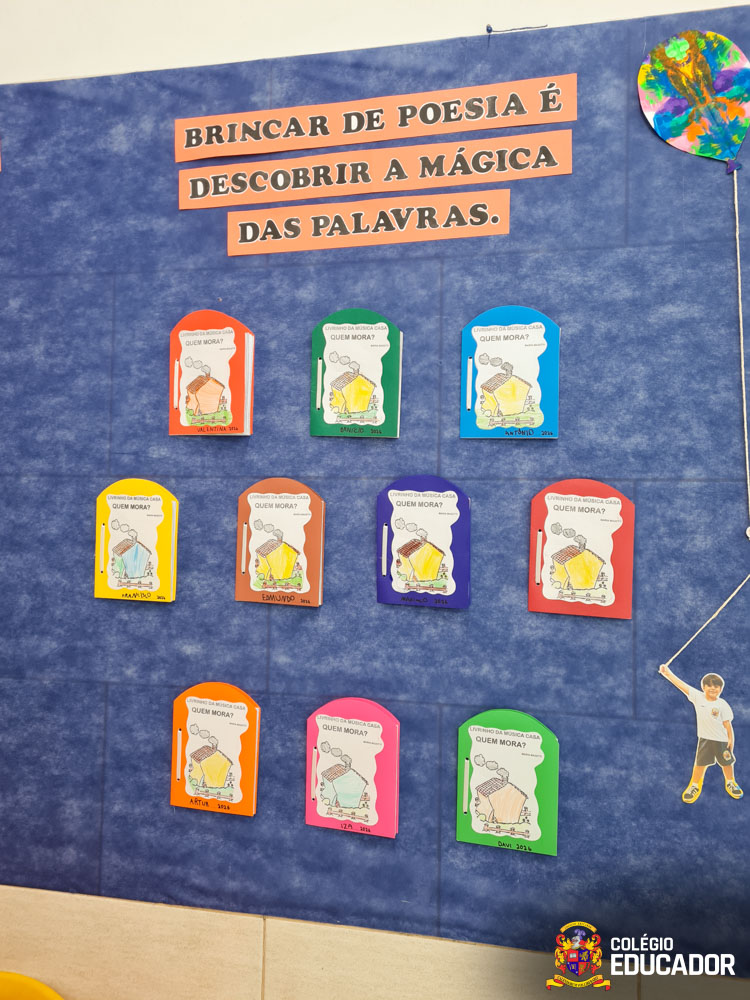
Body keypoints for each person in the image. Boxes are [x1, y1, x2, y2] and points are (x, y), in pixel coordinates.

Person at [659, 665, 743, 803]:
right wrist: (667, 673)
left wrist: (731, 741)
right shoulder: (698, 697)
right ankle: (694, 785)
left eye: (716, 686)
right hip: (705, 740)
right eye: (709, 685)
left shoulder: (723, 704)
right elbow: (681, 685)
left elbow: (728, 725)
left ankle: (730, 782)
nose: (712, 688)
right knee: (699, 764)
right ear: (703, 687)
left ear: (721, 689)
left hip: (721, 741)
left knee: (727, 763)